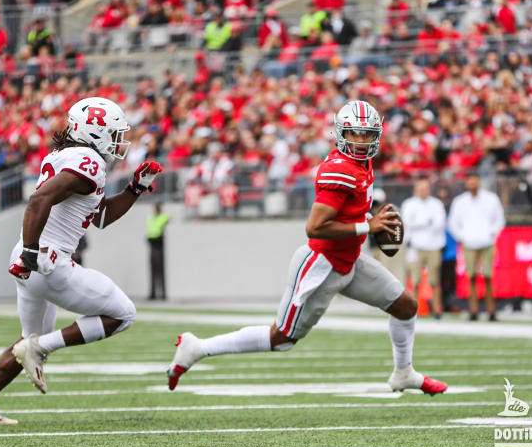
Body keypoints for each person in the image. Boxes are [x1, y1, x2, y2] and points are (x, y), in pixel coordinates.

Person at [167, 100, 447, 396]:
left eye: (367, 134)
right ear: (341, 134)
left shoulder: (361, 164)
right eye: (355, 134)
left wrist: (368, 218)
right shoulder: (341, 170)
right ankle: (197, 348)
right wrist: (369, 226)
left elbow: (348, 211)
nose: (361, 141)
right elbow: (315, 227)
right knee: (283, 338)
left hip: (349, 261)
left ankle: (403, 372)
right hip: (321, 264)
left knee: (405, 306)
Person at [0, 97, 162, 425]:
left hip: (30, 260)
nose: (119, 141)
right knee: (123, 314)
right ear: (95, 132)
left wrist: (134, 189)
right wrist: (34, 252)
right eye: (114, 133)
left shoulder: (68, 156)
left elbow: (99, 216)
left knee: (27, 341)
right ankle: (39, 348)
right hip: (46, 261)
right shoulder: (88, 160)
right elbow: (39, 199)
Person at [448, 173, 505, 321]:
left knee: (488, 276)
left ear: (479, 182)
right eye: (470, 181)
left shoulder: (491, 199)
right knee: (471, 277)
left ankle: (491, 311)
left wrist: (491, 234)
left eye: (475, 181)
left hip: (486, 243)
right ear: (467, 183)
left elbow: (499, 219)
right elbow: (453, 222)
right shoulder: (460, 201)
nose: (473, 184)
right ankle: (473, 311)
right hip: (469, 243)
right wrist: (462, 237)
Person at [401, 177, 446, 318]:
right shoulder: (409, 204)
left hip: (434, 246)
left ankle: (437, 309)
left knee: (435, 280)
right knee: (415, 280)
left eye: (425, 188)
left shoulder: (436, 204)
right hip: (415, 246)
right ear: (415, 190)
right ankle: (415, 309)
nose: (423, 191)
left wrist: (418, 223)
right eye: (420, 188)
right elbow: (408, 222)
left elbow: (439, 224)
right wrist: (426, 222)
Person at [147, 202, 170, 300]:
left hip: (159, 244)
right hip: (151, 244)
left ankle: (163, 294)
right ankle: (153, 293)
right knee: (152, 270)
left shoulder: (163, 217)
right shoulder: (151, 218)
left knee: (161, 270)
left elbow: (166, 219)